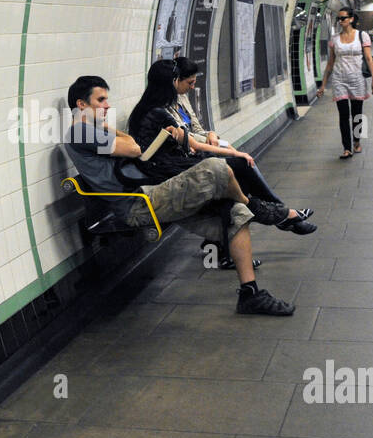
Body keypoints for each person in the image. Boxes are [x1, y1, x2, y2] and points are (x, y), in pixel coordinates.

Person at [64, 75, 297, 316]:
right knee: (216, 167)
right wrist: (104, 128)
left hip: (153, 194)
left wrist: (105, 126)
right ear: (81, 105)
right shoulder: (79, 132)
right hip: (139, 203)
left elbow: (132, 143)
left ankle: (250, 295)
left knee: (236, 213)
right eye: (100, 100)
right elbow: (133, 149)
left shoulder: (91, 130)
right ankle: (255, 204)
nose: (107, 105)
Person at [126, 61, 315, 231]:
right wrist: (235, 152)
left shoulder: (143, 109)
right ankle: (281, 213)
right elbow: (193, 144)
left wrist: (213, 141)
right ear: (172, 82)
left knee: (236, 178)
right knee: (240, 166)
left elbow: (189, 135)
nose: (187, 87)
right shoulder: (161, 112)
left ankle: (279, 215)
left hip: (167, 165)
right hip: (170, 170)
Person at [315, 7, 373, 157]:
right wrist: (323, 84)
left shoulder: (362, 36)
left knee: (357, 114)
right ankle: (347, 148)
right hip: (339, 80)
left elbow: (369, 58)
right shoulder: (335, 39)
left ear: (351, 19)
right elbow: (330, 63)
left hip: (357, 79)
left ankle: (357, 141)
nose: (340, 21)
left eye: (343, 18)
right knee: (343, 115)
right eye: (338, 18)